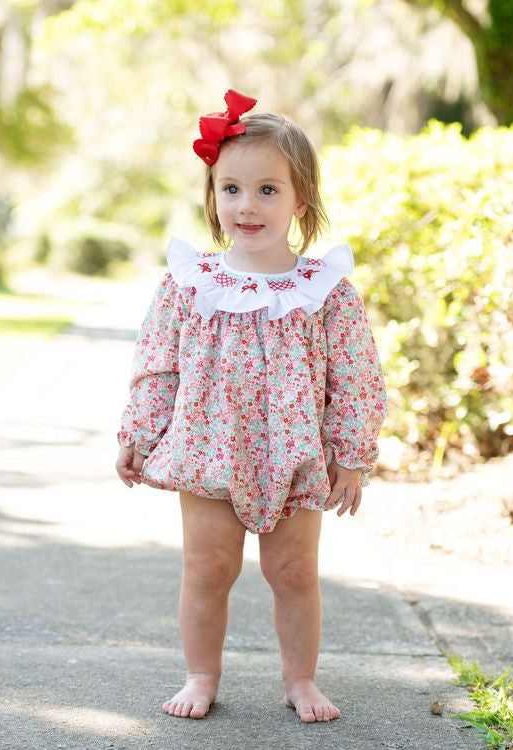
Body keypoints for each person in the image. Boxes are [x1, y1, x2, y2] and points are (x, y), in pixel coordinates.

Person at [115, 89, 387, 723]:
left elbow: (355, 377)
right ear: (213, 198)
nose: (247, 204)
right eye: (231, 189)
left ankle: (301, 680)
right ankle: (201, 674)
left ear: (302, 201)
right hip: (209, 447)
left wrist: (351, 454)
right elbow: (159, 363)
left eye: (269, 189)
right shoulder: (190, 284)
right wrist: (139, 432)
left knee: (294, 572)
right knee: (207, 567)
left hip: (297, 455)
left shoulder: (325, 293)